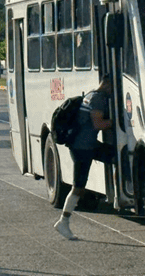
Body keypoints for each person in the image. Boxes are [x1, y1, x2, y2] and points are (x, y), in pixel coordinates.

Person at [54, 75, 113, 240]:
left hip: (87, 145)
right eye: (112, 86)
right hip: (83, 148)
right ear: (107, 83)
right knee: (78, 187)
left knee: (116, 157)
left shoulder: (90, 95)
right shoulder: (98, 98)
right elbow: (98, 124)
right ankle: (63, 222)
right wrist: (117, 122)